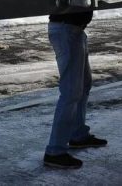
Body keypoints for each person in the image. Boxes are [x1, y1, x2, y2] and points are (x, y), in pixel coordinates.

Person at [43, 9, 106, 169]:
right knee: (71, 91)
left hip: (74, 30)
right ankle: (55, 152)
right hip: (66, 30)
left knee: (84, 84)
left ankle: (78, 134)